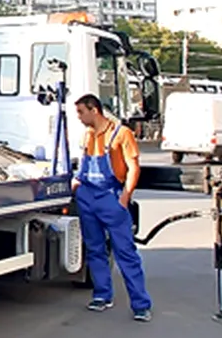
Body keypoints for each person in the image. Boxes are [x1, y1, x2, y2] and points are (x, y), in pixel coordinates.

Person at [71, 93, 152, 322]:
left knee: (125, 252)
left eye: (81, 112)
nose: (78, 117)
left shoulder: (121, 133)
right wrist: (78, 180)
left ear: (94, 110)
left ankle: (141, 305)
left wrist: (125, 197)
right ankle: (102, 296)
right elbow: (85, 162)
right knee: (95, 250)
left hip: (110, 196)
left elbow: (133, 168)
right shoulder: (88, 135)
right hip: (88, 195)